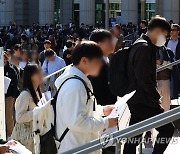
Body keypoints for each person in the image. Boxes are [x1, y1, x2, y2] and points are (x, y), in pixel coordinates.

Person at [55, 41, 118, 153]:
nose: (100, 65)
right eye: (97, 61)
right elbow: (77, 122)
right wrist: (106, 123)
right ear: (84, 60)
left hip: (80, 145)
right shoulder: (75, 85)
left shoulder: (77, 81)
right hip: (77, 146)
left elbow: (83, 110)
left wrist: (102, 110)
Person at [124, 16, 174, 154]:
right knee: (167, 129)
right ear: (157, 31)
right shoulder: (144, 48)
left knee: (134, 135)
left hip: (137, 98)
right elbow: (144, 79)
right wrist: (156, 96)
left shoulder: (140, 44)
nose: (165, 39)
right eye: (165, 35)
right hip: (143, 99)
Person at [11, 64, 43, 153]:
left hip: (35, 136)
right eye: (38, 73)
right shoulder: (25, 95)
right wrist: (38, 111)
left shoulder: (38, 92)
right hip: (25, 138)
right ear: (31, 76)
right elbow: (19, 117)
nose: (41, 75)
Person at [89, 29, 117, 107]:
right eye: (109, 41)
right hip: (102, 109)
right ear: (99, 44)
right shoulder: (95, 64)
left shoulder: (106, 59)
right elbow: (97, 91)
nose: (113, 43)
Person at [4, 52, 19, 138]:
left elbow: (15, 83)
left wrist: (12, 95)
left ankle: (10, 134)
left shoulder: (11, 70)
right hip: (1, 95)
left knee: (9, 115)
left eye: (5, 59)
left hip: (9, 96)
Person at [156, 46, 174, 111]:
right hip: (155, 83)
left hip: (166, 81)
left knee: (166, 105)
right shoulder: (151, 51)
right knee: (156, 104)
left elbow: (171, 66)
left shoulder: (168, 51)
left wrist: (162, 63)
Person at [165, 24, 180, 99]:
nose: (171, 31)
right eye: (171, 30)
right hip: (168, 65)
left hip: (178, 64)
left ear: (178, 32)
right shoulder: (166, 41)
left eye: (173, 30)